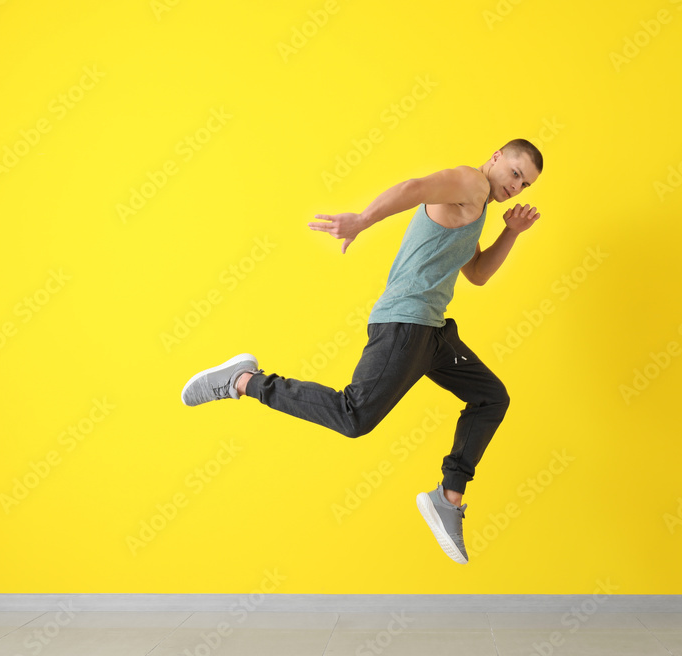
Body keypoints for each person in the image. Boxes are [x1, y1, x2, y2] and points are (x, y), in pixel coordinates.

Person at [181, 139, 543, 564]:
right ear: (496, 157)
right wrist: (362, 220)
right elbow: (414, 187)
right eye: (516, 173)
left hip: (433, 333)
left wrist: (511, 232)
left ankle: (448, 498)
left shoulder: (476, 207)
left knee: (491, 397)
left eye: (526, 185)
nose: (517, 187)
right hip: (405, 323)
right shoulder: (470, 182)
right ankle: (242, 381)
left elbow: (478, 274)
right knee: (353, 417)